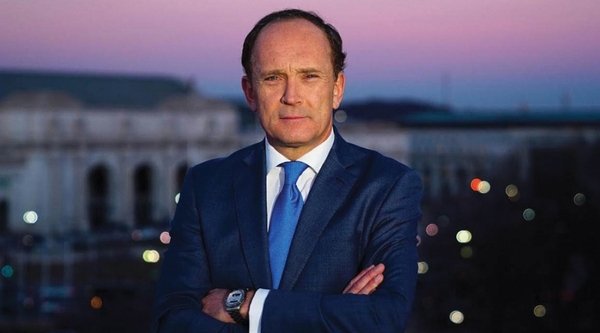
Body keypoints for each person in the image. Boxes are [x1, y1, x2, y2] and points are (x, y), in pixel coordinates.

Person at [151, 8, 423, 333]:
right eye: (273, 78)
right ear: (250, 92)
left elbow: (383, 317)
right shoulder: (206, 186)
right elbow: (171, 320)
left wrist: (245, 304)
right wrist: (337, 315)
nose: (291, 96)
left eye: (309, 76)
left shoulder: (387, 186)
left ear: (337, 88)